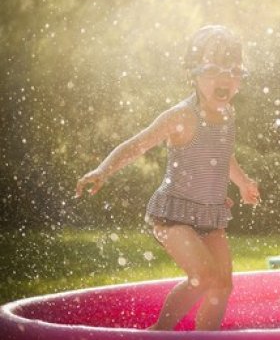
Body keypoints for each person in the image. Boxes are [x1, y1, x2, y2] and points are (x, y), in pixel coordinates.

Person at [75, 25, 260, 331]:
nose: (225, 78)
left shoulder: (228, 115)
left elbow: (224, 153)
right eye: (213, 70)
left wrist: (242, 182)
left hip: (210, 214)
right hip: (172, 215)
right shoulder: (182, 116)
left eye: (234, 71)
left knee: (222, 285)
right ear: (194, 74)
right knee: (204, 276)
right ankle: (158, 332)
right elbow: (139, 143)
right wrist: (103, 170)